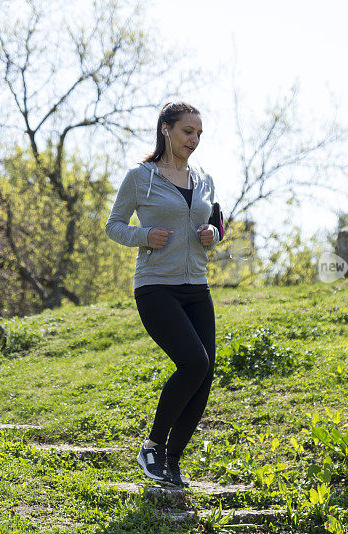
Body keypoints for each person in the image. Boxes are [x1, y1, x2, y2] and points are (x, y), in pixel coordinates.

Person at [104, 101, 223, 487]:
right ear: (166, 129)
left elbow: (217, 226)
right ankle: (152, 446)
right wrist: (144, 236)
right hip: (156, 287)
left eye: (199, 134)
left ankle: (171, 461)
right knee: (192, 362)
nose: (194, 140)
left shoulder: (203, 177)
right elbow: (114, 225)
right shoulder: (141, 177)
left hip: (197, 287)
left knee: (204, 374)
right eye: (188, 131)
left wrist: (213, 236)